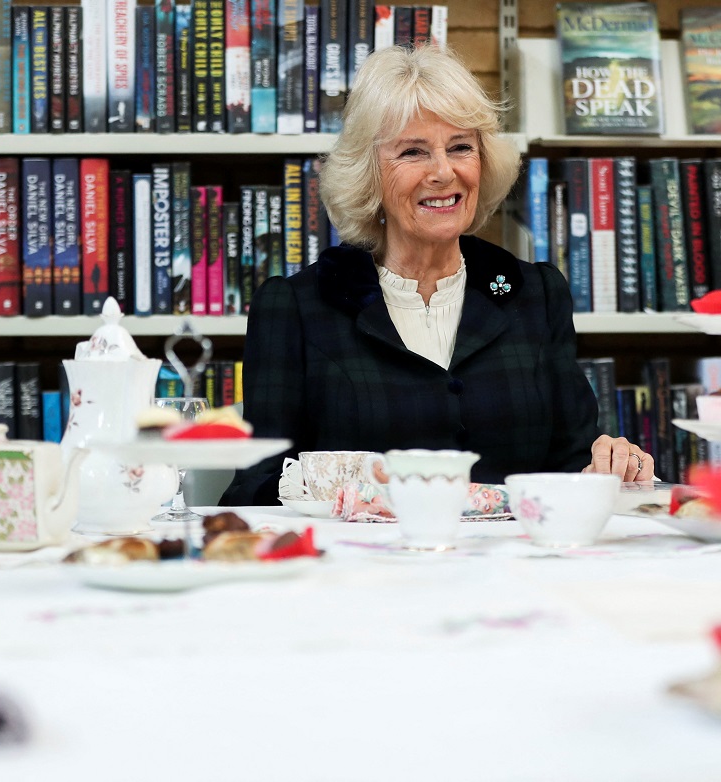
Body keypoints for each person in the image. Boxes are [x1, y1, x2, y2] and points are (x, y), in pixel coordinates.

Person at [222, 44, 654, 506]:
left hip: (512, 571)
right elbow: (255, 489)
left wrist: (611, 467)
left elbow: (571, 467)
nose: (444, 172)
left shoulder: (536, 293)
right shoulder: (296, 306)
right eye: (413, 152)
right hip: (362, 567)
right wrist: (341, 498)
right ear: (369, 174)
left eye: (460, 147)